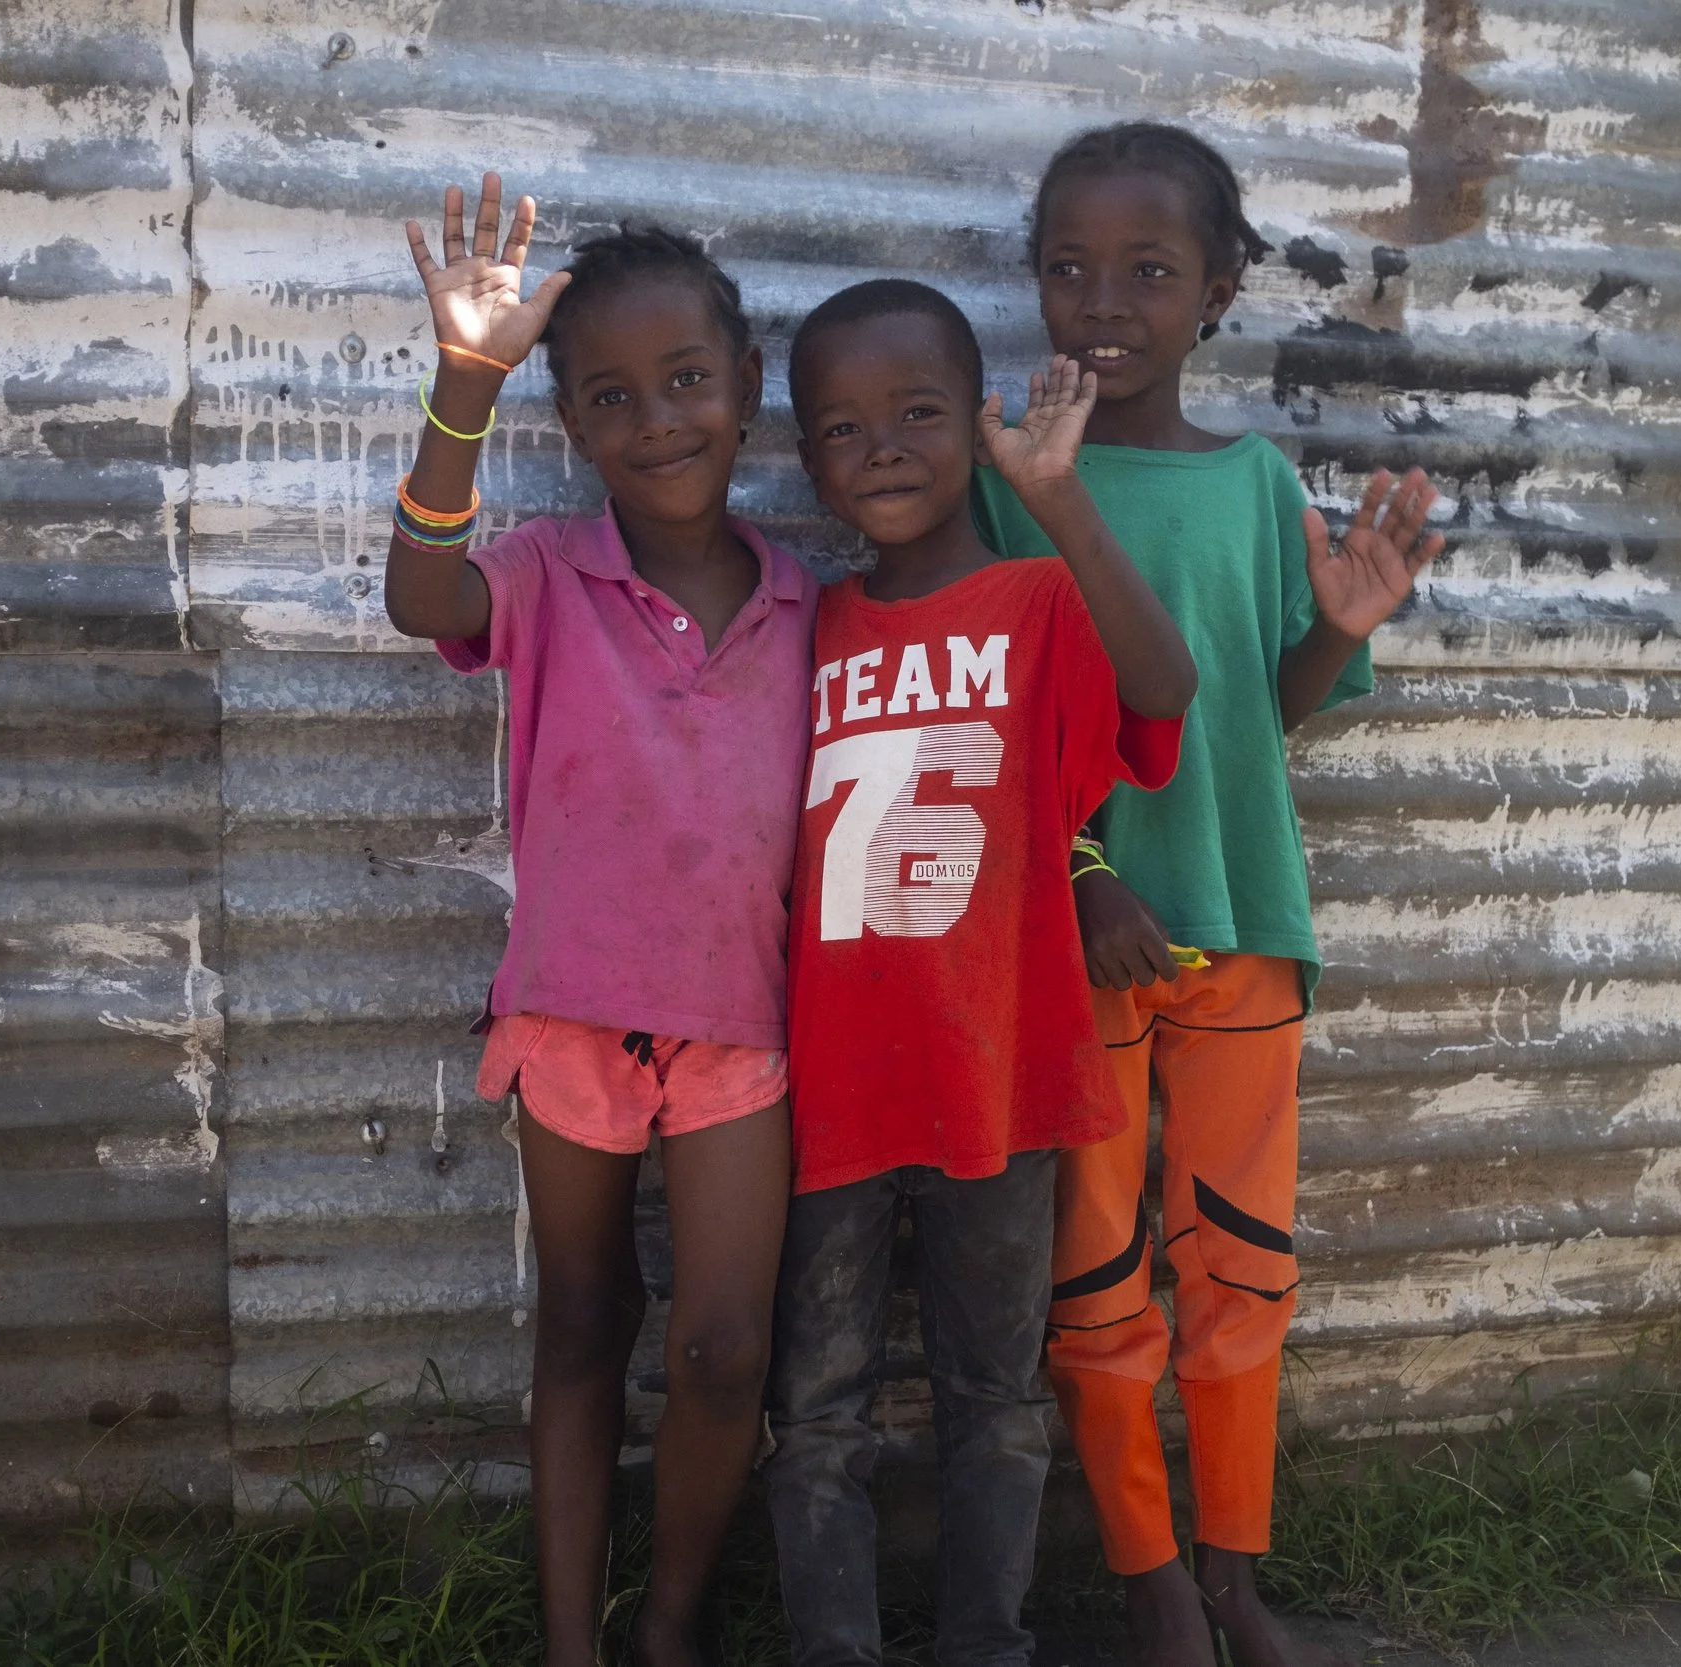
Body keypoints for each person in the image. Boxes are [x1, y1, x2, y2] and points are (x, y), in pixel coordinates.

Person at [970, 123, 1447, 1667]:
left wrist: (1338, 628)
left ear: (1221, 289)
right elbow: (992, 728)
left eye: (1149, 270)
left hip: (1243, 922)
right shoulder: (1007, 483)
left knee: (1240, 1266)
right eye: (1068, 267)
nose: (1102, 300)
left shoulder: (1254, 486)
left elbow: (1257, 714)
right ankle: (1149, 1581)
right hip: (1080, 942)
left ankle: (1235, 1570)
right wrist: (1085, 874)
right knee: (1099, 1283)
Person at [383, 175, 817, 1667]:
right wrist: (466, 379)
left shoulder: (811, 603)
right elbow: (416, 592)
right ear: (570, 427)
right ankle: (572, 1642)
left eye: (690, 380)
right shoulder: (550, 575)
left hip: (740, 1033)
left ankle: (669, 1624)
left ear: (748, 391)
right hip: (568, 1014)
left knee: (721, 1349)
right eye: (615, 395)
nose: (661, 419)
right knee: (581, 1321)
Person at [764, 277, 1197, 1667]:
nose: (879, 446)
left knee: (995, 1391)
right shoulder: (800, 626)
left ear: (975, 422)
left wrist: (1059, 497)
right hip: (823, 1081)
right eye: (838, 427)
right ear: (804, 458)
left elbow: (1163, 688)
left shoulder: (1031, 600)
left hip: (996, 1075)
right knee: (817, 1402)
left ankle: (984, 1644)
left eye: (916, 413)